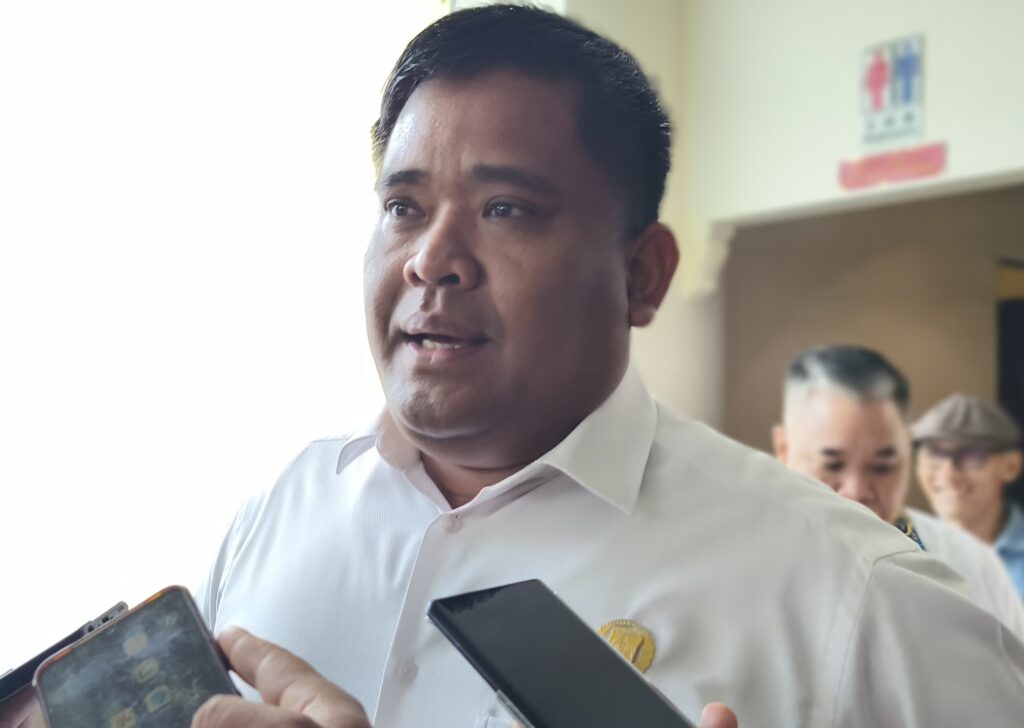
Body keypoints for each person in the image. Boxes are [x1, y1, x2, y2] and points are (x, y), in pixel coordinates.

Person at [193, 6, 1024, 727]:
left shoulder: (860, 600)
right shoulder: (277, 515)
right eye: (403, 207)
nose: (431, 260)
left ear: (642, 276)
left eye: (504, 209)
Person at [771, 345, 1024, 637]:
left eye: (882, 467)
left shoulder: (971, 567)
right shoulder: (743, 573)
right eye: (833, 465)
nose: (857, 493)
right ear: (784, 449)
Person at [914, 393, 1024, 599]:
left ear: (1011, 466)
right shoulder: (903, 552)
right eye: (934, 454)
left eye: (972, 456)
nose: (949, 475)